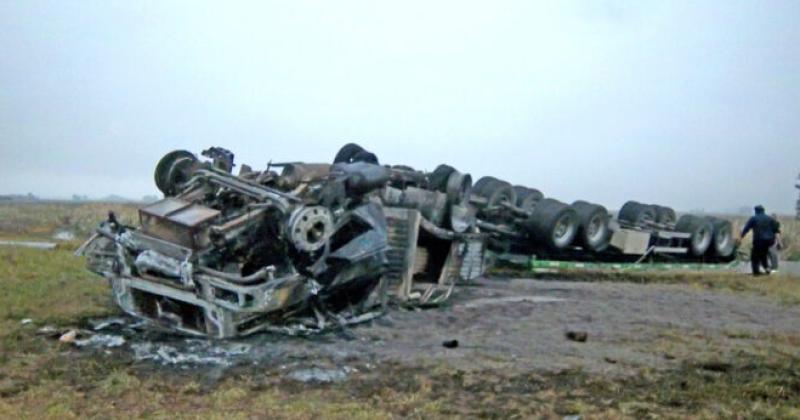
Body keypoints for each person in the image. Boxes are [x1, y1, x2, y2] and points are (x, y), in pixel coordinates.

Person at [739, 205, 781, 276]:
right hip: (769, 241)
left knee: (755, 256)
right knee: (763, 255)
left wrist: (741, 237)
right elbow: (776, 231)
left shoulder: (753, 218)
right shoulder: (770, 219)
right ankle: (767, 268)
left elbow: (746, 229)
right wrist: (779, 242)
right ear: (763, 211)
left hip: (759, 241)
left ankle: (756, 272)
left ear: (756, 211)